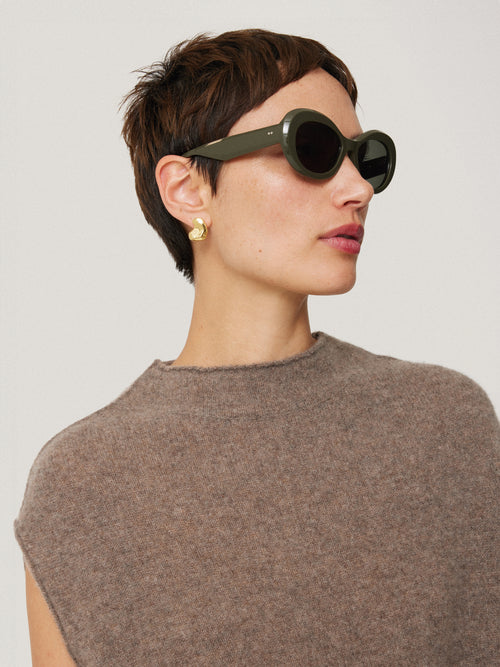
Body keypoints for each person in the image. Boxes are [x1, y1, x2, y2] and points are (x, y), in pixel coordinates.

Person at [15, 29, 499, 666]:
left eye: (366, 158)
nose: (358, 189)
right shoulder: (83, 483)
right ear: (188, 188)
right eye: (312, 148)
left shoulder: (445, 423)